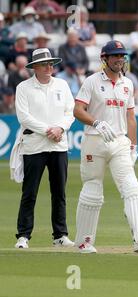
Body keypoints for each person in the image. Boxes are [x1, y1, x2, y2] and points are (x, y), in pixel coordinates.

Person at [73, 40, 138, 253]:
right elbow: (77, 110)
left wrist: (133, 146)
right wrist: (96, 122)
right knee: (93, 189)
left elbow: (131, 118)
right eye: (115, 56)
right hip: (95, 140)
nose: (119, 60)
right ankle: (84, 242)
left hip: (119, 142)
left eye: (122, 56)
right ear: (105, 59)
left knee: (133, 187)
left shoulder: (128, 84)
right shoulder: (92, 82)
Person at [13, 48, 75, 249]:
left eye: (51, 64)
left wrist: (60, 128)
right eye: (44, 64)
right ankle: (23, 235)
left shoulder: (62, 85)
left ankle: (60, 235)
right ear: (35, 68)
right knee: (29, 192)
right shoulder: (24, 87)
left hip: (58, 145)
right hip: (34, 146)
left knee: (59, 192)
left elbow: (70, 112)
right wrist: (49, 130)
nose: (49, 67)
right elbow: (24, 117)